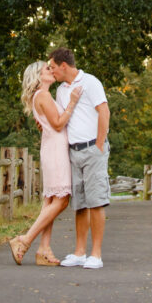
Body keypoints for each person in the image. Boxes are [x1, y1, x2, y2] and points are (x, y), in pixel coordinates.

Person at [9, 60, 82, 266]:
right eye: (47, 69)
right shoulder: (43, 95)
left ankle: (44, 250)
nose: (51, 70)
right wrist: (72, 103)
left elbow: (50, 123)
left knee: (51, 200)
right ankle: (25, 240)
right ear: (39, 76)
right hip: (56, 151)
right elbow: (59, 124)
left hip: (51, 148)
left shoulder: (39, 97)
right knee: (61, 200)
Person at [49, 47, 110, 269]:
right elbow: (61, 119)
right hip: (73, 152)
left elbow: (104, 112)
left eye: (53, 67)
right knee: (80, 204)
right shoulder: (61, 91)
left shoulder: (90, 82)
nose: (51, 71)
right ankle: (79, 253)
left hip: (93, 149)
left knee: (96, 201)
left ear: (63, 65)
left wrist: (99, 145)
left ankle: (96, 254)